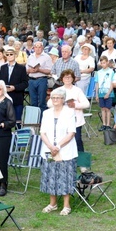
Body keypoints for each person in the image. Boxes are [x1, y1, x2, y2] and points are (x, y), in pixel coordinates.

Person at [39, 89, 78, 217]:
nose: (55, 99)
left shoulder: (70, 112)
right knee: (50, 176)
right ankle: (53, 203)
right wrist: (51, 146)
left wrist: (58, 146)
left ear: (63, 99)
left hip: (65, 150)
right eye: (53, 97)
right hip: (49, 149)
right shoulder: (46, 113)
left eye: (58, 97)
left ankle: (67, 205)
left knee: (65, 177)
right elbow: (42, 132)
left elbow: (71, 133)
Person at [0, 46, 29, 121]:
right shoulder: (3, 67)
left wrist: (14, 87)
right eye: (7, 54)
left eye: (11, 54)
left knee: (17, 120)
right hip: (5, 97)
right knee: (4, 119)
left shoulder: (21, 68)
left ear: (15, 55)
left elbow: (25, 83)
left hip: (17, 97)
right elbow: (0, 81)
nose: (9, 56)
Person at [26, 41, 53, 111]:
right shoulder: (30, 56)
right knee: (33, 101)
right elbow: (26, 69)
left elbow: (49, 71)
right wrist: (30, 70)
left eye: (39, 47)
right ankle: (34, 119)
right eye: (36, 47)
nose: (38, 49)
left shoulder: (47, 57)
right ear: (34, 48)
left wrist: (39, 70)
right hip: (31, 80)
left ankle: (42, 118)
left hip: (42, 79)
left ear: (42, 48)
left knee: (41, 100)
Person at [95, 56, 116, 129]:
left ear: (107, 62)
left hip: (108, 92)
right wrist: (97, 94)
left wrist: (108, 93)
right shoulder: (98, 72)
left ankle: (108, 124)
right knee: (103, 108)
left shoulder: (111, 71)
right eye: (101, 63)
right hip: (101, 92)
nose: (103, 64)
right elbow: (97, 83)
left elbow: (112, 83)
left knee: (108, 108)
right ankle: (104, 124)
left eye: (104, 63)